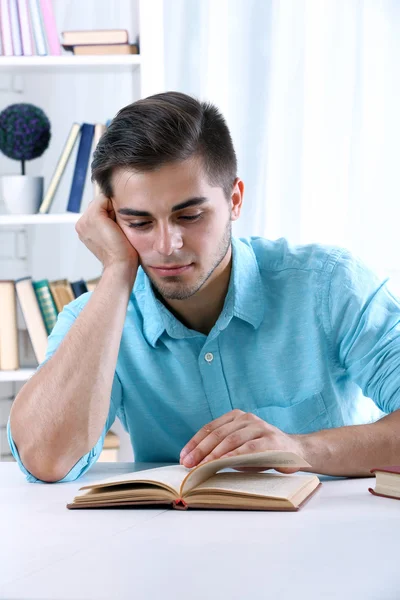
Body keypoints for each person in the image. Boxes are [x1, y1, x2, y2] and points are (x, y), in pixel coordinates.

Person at [8, 91, 400, 484]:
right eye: (139, 223)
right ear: (110, 219)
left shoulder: (329, 285)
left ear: (234, 200)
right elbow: (47, 460)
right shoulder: (96, 319)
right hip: (174, 541)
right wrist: (117, 270)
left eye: (190, 215)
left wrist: (299, 449)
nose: (167, 246)